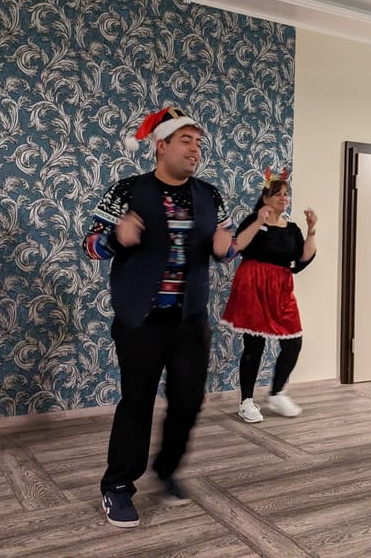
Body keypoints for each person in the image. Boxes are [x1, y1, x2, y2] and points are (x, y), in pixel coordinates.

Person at [82, 107, 235, 528]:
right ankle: (117, 485)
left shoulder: (209, 195)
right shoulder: (127, 191)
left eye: (198, 142)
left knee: (188, 402)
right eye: (186, 141)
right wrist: (116, 238)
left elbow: (226, 244)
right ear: (161, 145)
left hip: (190, 321)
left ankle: (166, 469)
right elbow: (90, 244)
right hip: (141, 320)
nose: (195, 149)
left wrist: (226, 248)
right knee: (137, 403)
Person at [221, 170, 317, 423]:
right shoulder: (253, 221)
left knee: (293, 341)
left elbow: (304, 257)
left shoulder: (292, 229)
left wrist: (311, 230)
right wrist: (258, 221)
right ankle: (246, 401)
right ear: (266, 198)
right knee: (255, 345)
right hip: (253, 285)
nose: (284, 198)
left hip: (281, 289)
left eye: (286, 194)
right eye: (278, 194)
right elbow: (238, 246)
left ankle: (276, 393)